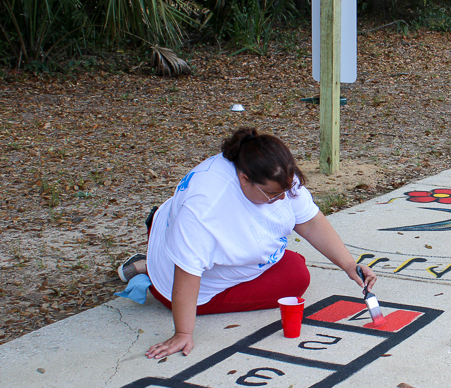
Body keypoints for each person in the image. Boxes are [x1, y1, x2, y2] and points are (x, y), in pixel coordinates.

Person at [118, 127, 377, 359]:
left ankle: (147, 262)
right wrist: (183, 332)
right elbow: (187, 274)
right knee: (295, 277)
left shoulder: (273, 170)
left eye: (286, 192)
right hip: (179, 280)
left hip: (174, 235)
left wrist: (348, 264)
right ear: (244, 178)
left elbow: (309, 222)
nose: (283, 198)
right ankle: (149, 272)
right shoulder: (204, 210)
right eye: (274, 194)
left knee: (293, 265)